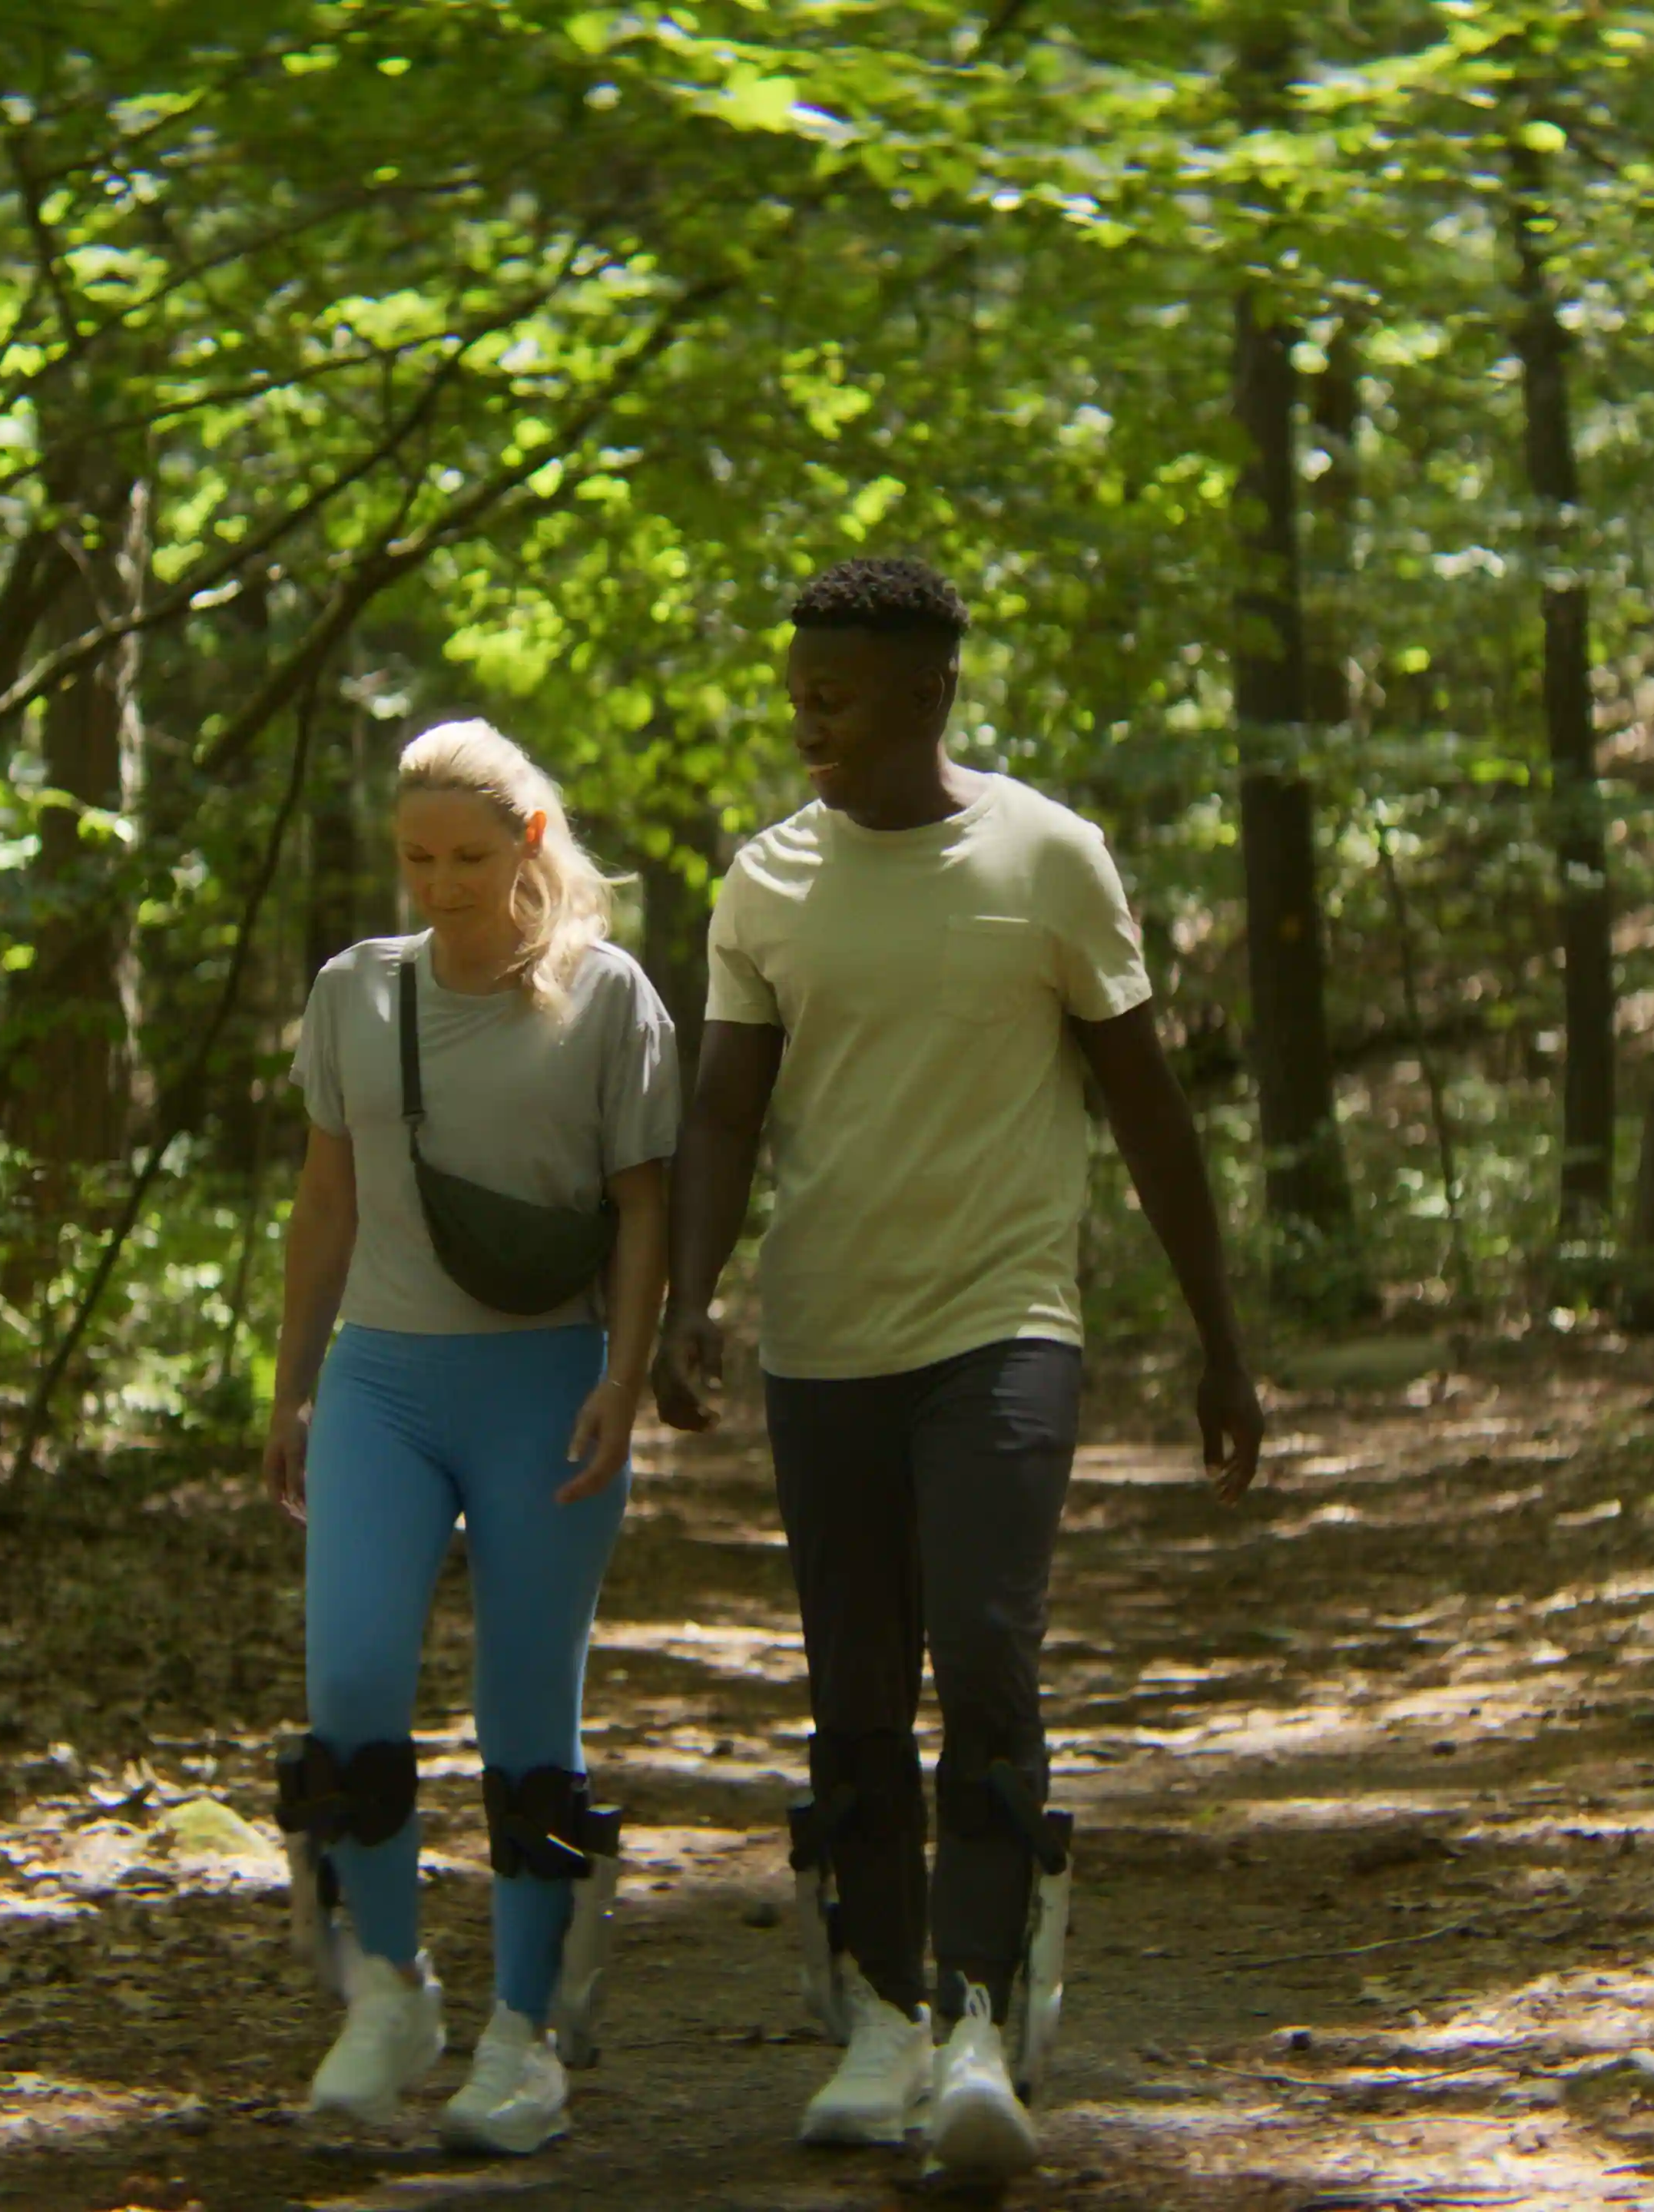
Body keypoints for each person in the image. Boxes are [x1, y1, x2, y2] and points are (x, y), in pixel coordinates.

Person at [653, 556, 1268, 2181]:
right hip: (829, 1334)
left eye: (837, 695)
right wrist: (688, 1298)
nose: (809, 722)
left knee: (986, 1654)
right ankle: (878, 2012)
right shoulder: (765, 884)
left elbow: (1148, 1105)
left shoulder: (1049, 861)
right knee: (854, 1684)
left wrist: (1219, 1341)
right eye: (797, 693)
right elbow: (720, 1111)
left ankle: (983, 2018)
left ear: (931, 696)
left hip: (1004, 1321)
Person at [263, 719, 682, 2156]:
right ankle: (388, 1990)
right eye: (415, 858)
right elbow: (325, 1204)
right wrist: (289, 1388)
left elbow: (645, 1209)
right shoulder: (354, 996)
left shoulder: (606, 999)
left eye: (469, 857)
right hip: (381, 1382)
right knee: (354, 1690)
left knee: (526, 1713)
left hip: (543, 1382)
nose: (438, 886)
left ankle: (525, 2033)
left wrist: (624, 1378)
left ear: (533, 846)